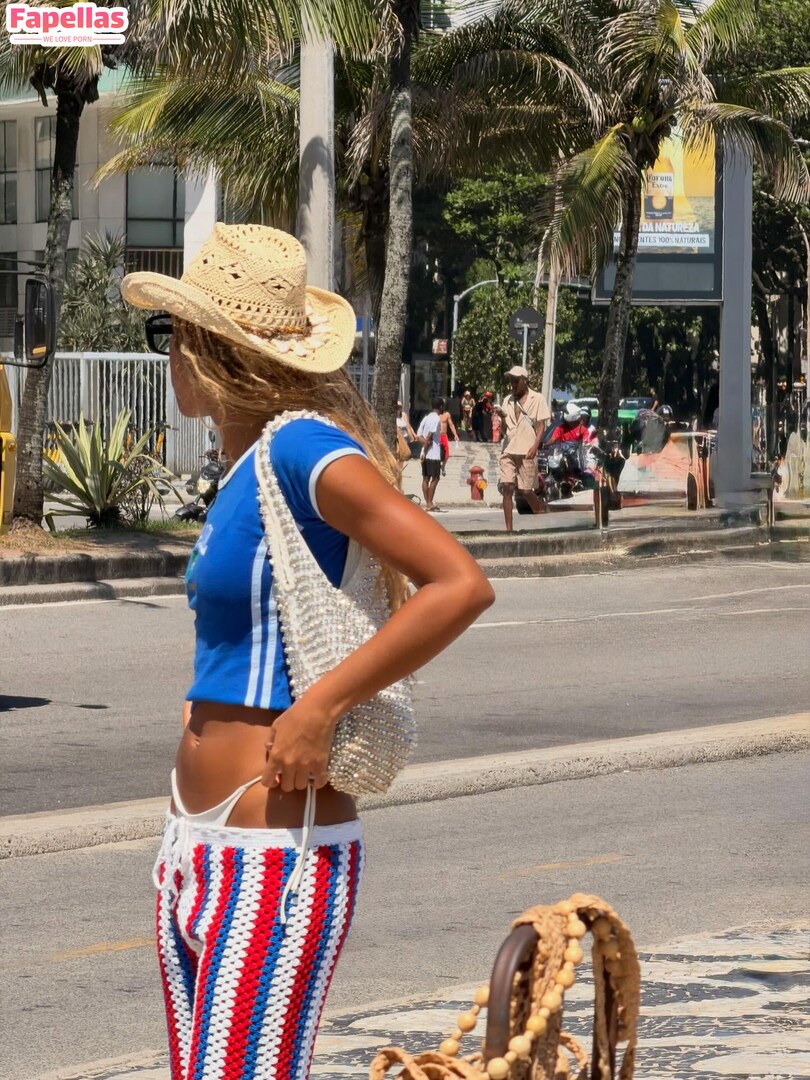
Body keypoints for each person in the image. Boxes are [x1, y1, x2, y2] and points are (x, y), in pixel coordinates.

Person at [122, 224, 494, 1080]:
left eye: (171, 332)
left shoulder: (302, 448)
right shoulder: (246, 466)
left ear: (212, 347)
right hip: (194, 845)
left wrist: (320, 707)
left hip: (276, 851)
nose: (168, 352)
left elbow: (458, 582)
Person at [495, 365, 551, 532]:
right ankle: (509, 530)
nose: (513, 384)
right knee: (507, 487)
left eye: (516, 381)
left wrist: (535, 446)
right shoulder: (507, 400)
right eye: (511, 381)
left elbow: (541, 426)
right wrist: (501, 418)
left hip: (527, 449)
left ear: (524, 381)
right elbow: (505, 429)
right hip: (509, 449)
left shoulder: (537, 398)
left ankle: (540, 513)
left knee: (526, 490)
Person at [417, 396, 445, 511]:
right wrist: (425, 450)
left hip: (425, 452)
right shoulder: (436, 419)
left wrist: (423, 450)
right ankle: (429, 503)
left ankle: (428, 503)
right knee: (436, 478)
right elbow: (429, 436)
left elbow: (418, 436)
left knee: (425, 478)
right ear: (441, 407)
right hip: (433, 453)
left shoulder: (426, 418)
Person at [438, 398, 460, 477]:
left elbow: (451, 425)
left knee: (447, 455)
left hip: (444, 435)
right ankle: (437, 467)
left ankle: (443, 467)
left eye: (443, 405)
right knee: (437, 453)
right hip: (437, 436)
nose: (442, 407)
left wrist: (455, 435)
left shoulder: (447, 414)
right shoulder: (435, 415)